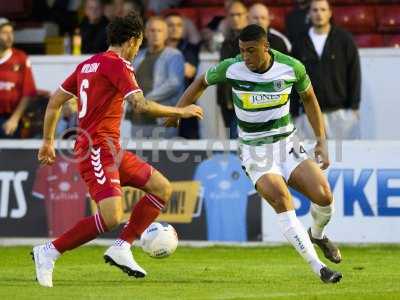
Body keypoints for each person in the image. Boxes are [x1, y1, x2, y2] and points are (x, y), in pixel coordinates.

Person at [32, 11, 203, 288]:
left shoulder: (88, 64)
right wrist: (181, 111)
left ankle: (122, 246)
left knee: (162, 188)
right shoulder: (118, 65)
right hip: (96, 149)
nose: (138, 49)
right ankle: (49, 252)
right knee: (111, 216)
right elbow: (141, 105)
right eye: (139, 43)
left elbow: (54, 102)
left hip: (113, 150)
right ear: (133, 40)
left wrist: (48, 141)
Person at [166, 24, 342, 283]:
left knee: (324, 196)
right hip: (254, 150)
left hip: (287, 143)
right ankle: (319, 268)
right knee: (283, 200)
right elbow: (201, 81)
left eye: (251, 51)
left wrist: (321, 142)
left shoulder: (291, 67)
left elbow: (310, 100)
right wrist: (178, 111)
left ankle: (317, 234)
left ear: (266, 47)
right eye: (242, 51)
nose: (245, 57)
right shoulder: (232, 67)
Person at [291, 0, 361, 140]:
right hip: (308, 116)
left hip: (339, 115)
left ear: (330, 12)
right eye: (315, 10)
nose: (319, 14)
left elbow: (354, 74)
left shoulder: (344, 40)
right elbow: (293, 79)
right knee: (312, 161)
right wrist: (294, 111)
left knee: (343, 160)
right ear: (309, 13)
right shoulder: (299, 42)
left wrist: (353, 107)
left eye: (323, 9)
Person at [131, 16, 185, 138]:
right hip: (138, 120)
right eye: (152, 30)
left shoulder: (174, 55)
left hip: (162, 120)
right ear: (145, 33)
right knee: (137, 157)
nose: (156, 34)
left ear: (166, 34)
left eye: (160, 31)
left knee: (164, 157)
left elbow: (174, 84)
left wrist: (145, 100)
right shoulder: (138, 56)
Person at [0, 18, 37, 138]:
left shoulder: (21, 58)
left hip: (10, 120)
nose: (10, 36)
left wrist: (14, 119)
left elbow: (29, 93)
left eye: (11, 32)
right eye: (5, 33)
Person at [166, 12, 200, 139]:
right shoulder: (155, 50)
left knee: (189, 149)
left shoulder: (189, 48)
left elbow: (189, 71)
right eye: (170, 25)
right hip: (163, 106)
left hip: (186, 105)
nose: (175, 28)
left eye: (179, 25)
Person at [218, 0, 248, 138]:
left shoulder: (254, 41)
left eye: (239, 14)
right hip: (228, 104)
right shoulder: (226, 42)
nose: (236, 18)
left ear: (246, 15)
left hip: (247, 105)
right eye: (232, 15)